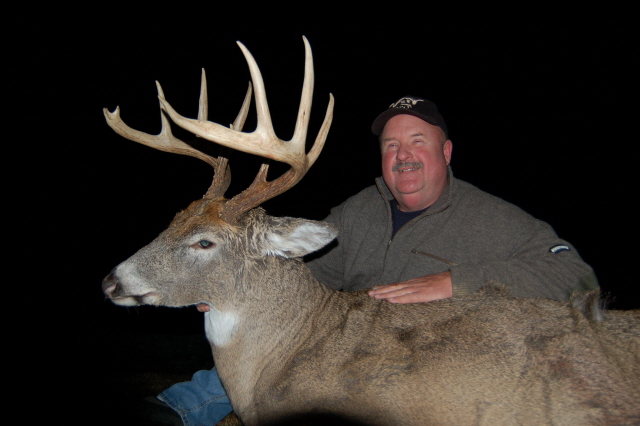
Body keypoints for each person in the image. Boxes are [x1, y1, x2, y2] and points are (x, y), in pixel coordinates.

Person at [137, 96, 598, 425]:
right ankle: (181, 407)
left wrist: (454, 282)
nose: (403, 155)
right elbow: (303, 277)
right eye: (391, 146)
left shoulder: (493, 219)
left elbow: (576, 277)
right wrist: (234, 283)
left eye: (417, 141)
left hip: (431, 357)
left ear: (446, 152)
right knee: (268, 338)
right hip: (350, 345)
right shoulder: (358, 212)